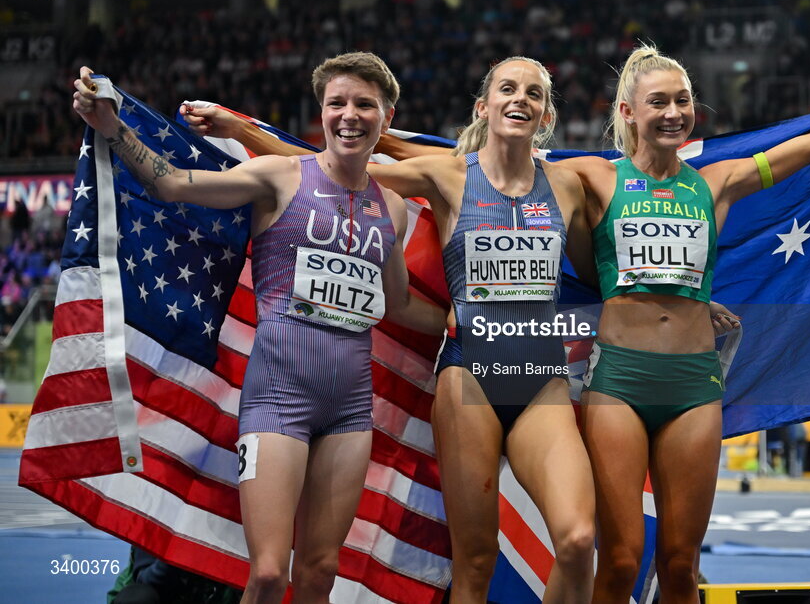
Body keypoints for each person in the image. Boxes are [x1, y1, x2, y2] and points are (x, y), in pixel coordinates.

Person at [184, 56, 600, 603]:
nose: (520, 99)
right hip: (468, 377)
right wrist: (243, 130)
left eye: (533, 93)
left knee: (577, 539)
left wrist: (682, 304)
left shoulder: (568, 186)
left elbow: (603, 276)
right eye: (507, 88)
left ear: (545, 115)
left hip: (537, 375)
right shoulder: (448, 173)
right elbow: (331, 171)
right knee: (474, 560)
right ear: (484, 106)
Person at [553, 47, 810, 603]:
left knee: (681, 564)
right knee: (618, 561)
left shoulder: (717, 182)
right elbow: (500, 170)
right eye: (658, 102)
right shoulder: (594, 178)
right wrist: (391, 148)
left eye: (683, 101)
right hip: (619, 380)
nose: (673, 112)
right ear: (627, 113)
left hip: (694, 386)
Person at [73, 53, 445, 604]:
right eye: (337, 103)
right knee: (269, 574)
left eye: (365, 105)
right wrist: (114, 127)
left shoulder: (390, 208)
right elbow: (173, 184)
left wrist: (465, 322)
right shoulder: (281, 175)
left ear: (386, 118)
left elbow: (397, 303)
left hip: (351, 409)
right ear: (320, 113)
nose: (350, 115)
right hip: (278, 400)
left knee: (319, 572)